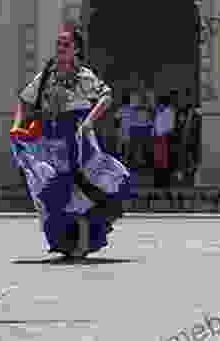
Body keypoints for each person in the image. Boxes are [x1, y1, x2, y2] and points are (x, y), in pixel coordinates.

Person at [10, 22, 133, 259]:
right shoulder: (48, 74)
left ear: (76, 49)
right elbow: (25, 100)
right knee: (53, 190)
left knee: (82, 188)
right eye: (58, 44)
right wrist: (17, 126)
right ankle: (67, 241)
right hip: (51, 138)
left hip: (78, 139)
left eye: (65, 44)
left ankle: (83, 241)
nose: (60, 48)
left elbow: (105, 96)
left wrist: (89, 121)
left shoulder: (84, 76)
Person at [153, 94, 174, 188]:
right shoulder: (159, 111)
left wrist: (163, 134)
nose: (158, 105)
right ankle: (157, 180)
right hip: (158, 137)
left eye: (159, 104)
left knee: (164, 160)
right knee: (157, 160)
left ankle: (164, 181)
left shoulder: (169, 111)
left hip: (165, 137)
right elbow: (156, 123)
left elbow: (170, 126)